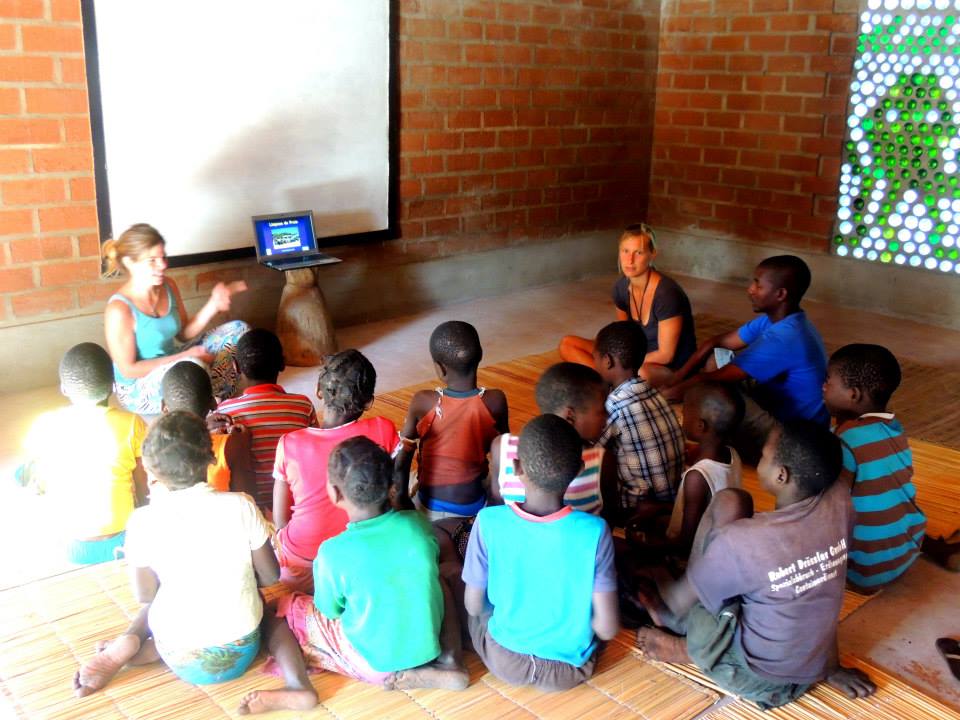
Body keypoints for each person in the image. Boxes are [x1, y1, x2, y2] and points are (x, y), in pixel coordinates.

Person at [633, 421, 875, 709]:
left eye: (762, 457)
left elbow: (677, 599)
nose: (759, 462)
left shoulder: (745, 542)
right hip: (813, 663)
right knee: (732, 501)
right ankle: (697, 615)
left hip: (757, 679)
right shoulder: (841, 504)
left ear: (781, 475)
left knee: (702, 596)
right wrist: (831, 667)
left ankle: (685, 648)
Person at [237, 437, 468, 715]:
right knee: (438, 580)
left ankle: (298, 684)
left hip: (375, 663)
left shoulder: (332, 553)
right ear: (391, 486)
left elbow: (330, 611)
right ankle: (452, 660)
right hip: (427, 648)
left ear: (334, 493)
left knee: (281, 609)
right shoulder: (417, 525)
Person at [73, 412, 280, 696]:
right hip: (241, 649)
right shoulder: (242, 505)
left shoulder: (142, 521)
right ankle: (141, 648)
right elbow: (271, 576)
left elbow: (145, 595)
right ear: (211, 457)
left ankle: (135, 643)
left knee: (167, 596)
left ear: (150, 470)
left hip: (176, 651)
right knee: (251, 596)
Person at [462, 415, 619, 691]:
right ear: (580, 469)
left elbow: (475, 606)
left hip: (505, 660)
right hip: (569, 670)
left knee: (459, 587)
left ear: (516, 467)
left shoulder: (488, 521)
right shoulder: (596, 531)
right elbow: (606, 628)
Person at [664, 255, 828, 461]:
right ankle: (727, 441)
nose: (750, 289)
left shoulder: (786, 337)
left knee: (714, 393)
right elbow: (716, 342)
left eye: (758, 285)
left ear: (780, 294)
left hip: (794, 437)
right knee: (715, 362)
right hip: (778, 406)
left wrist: (665, 396)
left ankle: (716, 450)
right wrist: (678, 377)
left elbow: (715, 379)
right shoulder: (777, 320)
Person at [273, 350, 399, 593]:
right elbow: (392, 492)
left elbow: (280, 520)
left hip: (303, 564)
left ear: (319, 391)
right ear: (368, 402)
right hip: (364, 555)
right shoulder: (383, 429)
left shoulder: (289, 443)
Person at [103, 223, 250, 415]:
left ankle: (208, 397)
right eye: (152, 260)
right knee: (193, 366)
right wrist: (184, 357)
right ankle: (206, 399)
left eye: (163, 257)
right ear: (131, 263)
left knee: (240, 330)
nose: (162, 265)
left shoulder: (168, 285)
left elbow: (183, 333)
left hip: (175, 366)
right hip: (138, 388)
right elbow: (129, 370)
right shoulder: (119, 309)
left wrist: (213, 304)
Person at [21, 342, 147, 565]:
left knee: (22, 471)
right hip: (124, 540)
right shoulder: (132, 424)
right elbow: (142, 487)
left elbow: (37, 481)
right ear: (113, 386)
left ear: (64, 389)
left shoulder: (45, 425)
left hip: (70, 546)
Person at [823, 344, 928, 592]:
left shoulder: (845, 443)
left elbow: (830, 505)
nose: (823, 387)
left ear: (854, 394)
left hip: (864, 570)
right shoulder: (893, 427)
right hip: (909, 547)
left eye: (828, 381)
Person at [395, 320, 509, 520]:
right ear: (480, 355)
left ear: (440, 369)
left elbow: (403, 456)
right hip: (475, 504)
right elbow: (505, 451)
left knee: (409, 478)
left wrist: (402, 498)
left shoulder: (423, 401)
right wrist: (495, 498)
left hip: (431, 507)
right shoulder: (495, 401)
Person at [559, 223, 697, 388]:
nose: (629, 260)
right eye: (625, 251)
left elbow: (666, 355)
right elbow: (623, 335)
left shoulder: (667, 294)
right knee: (568, 344)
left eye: (638, 253)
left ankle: (609, 382)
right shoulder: (621, 288)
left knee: (642, 374)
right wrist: (610, 355)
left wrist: (622, 363)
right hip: (634, 356)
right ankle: (609, 382)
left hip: (668, 367)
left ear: (652, 254)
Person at [489, 362, 611, 516]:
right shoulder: (601, 462)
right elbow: (608, 517)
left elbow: (496, 503)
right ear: (570, 416)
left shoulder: (502, 447)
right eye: (601, 410)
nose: (607, 416)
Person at [216, 329, 318, 510]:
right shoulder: (303, 406)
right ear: (283, 364)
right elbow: (314, 452)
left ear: (236, 367)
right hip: (295, 503)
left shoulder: (225, 412)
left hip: (250, 506)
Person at [593, 321, 684, 525]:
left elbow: (592, 449)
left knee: (591, 459)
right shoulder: (654, 393)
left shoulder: (614, 405)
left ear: (607, 361)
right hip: (670, 498)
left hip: (637, 507)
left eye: (594, 359)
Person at [160, 360, 256, 496]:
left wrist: (202, 426)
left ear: (164, 407)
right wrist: (244, 447)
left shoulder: (155, 450)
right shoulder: (230, 446)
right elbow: (249, 500)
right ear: (213, 403)